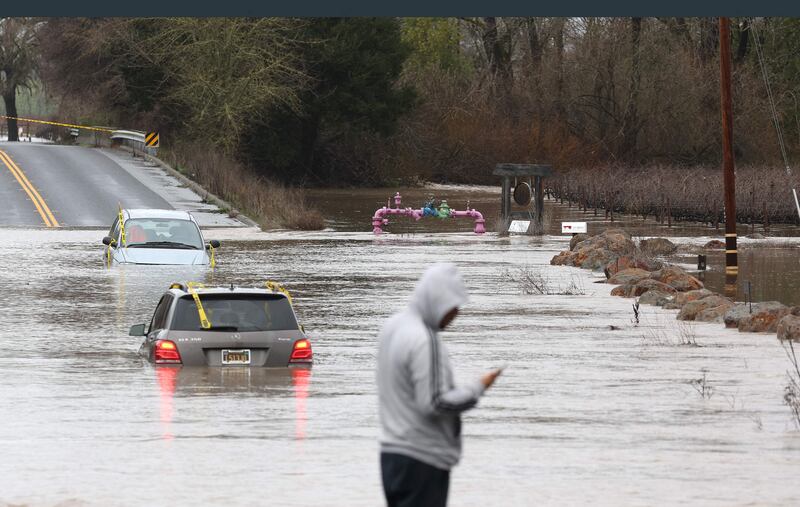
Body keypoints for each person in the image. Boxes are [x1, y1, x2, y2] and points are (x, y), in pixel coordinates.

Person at [377, 263, 502, 507]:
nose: (456, 314)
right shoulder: (424, 338)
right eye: (453, 306)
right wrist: (478, 387)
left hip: (391, 456)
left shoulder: (392, 328)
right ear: (438, 300)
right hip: (423, 459)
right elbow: (435, 402)